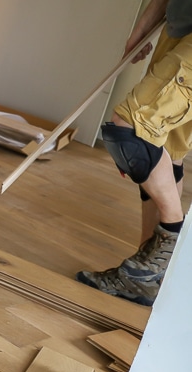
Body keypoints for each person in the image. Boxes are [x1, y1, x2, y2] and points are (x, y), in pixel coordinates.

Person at [77, 0, 190, 306]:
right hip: (181, 23)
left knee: (130, 128)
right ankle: (147, 278)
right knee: (166, 148)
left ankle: (174, 236)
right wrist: (144, 25)